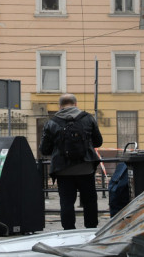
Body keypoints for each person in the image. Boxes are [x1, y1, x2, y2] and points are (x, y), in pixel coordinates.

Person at [40, 93, 103, 230]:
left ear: (59, 106)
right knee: (89, 200)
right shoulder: (88, 118)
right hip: (86, 168)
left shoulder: (51, 122)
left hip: (63, 170)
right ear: (75, 104)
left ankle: (68, 230)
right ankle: (91, 229)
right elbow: (98, 142)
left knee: (66, 202)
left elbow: (44, 149)